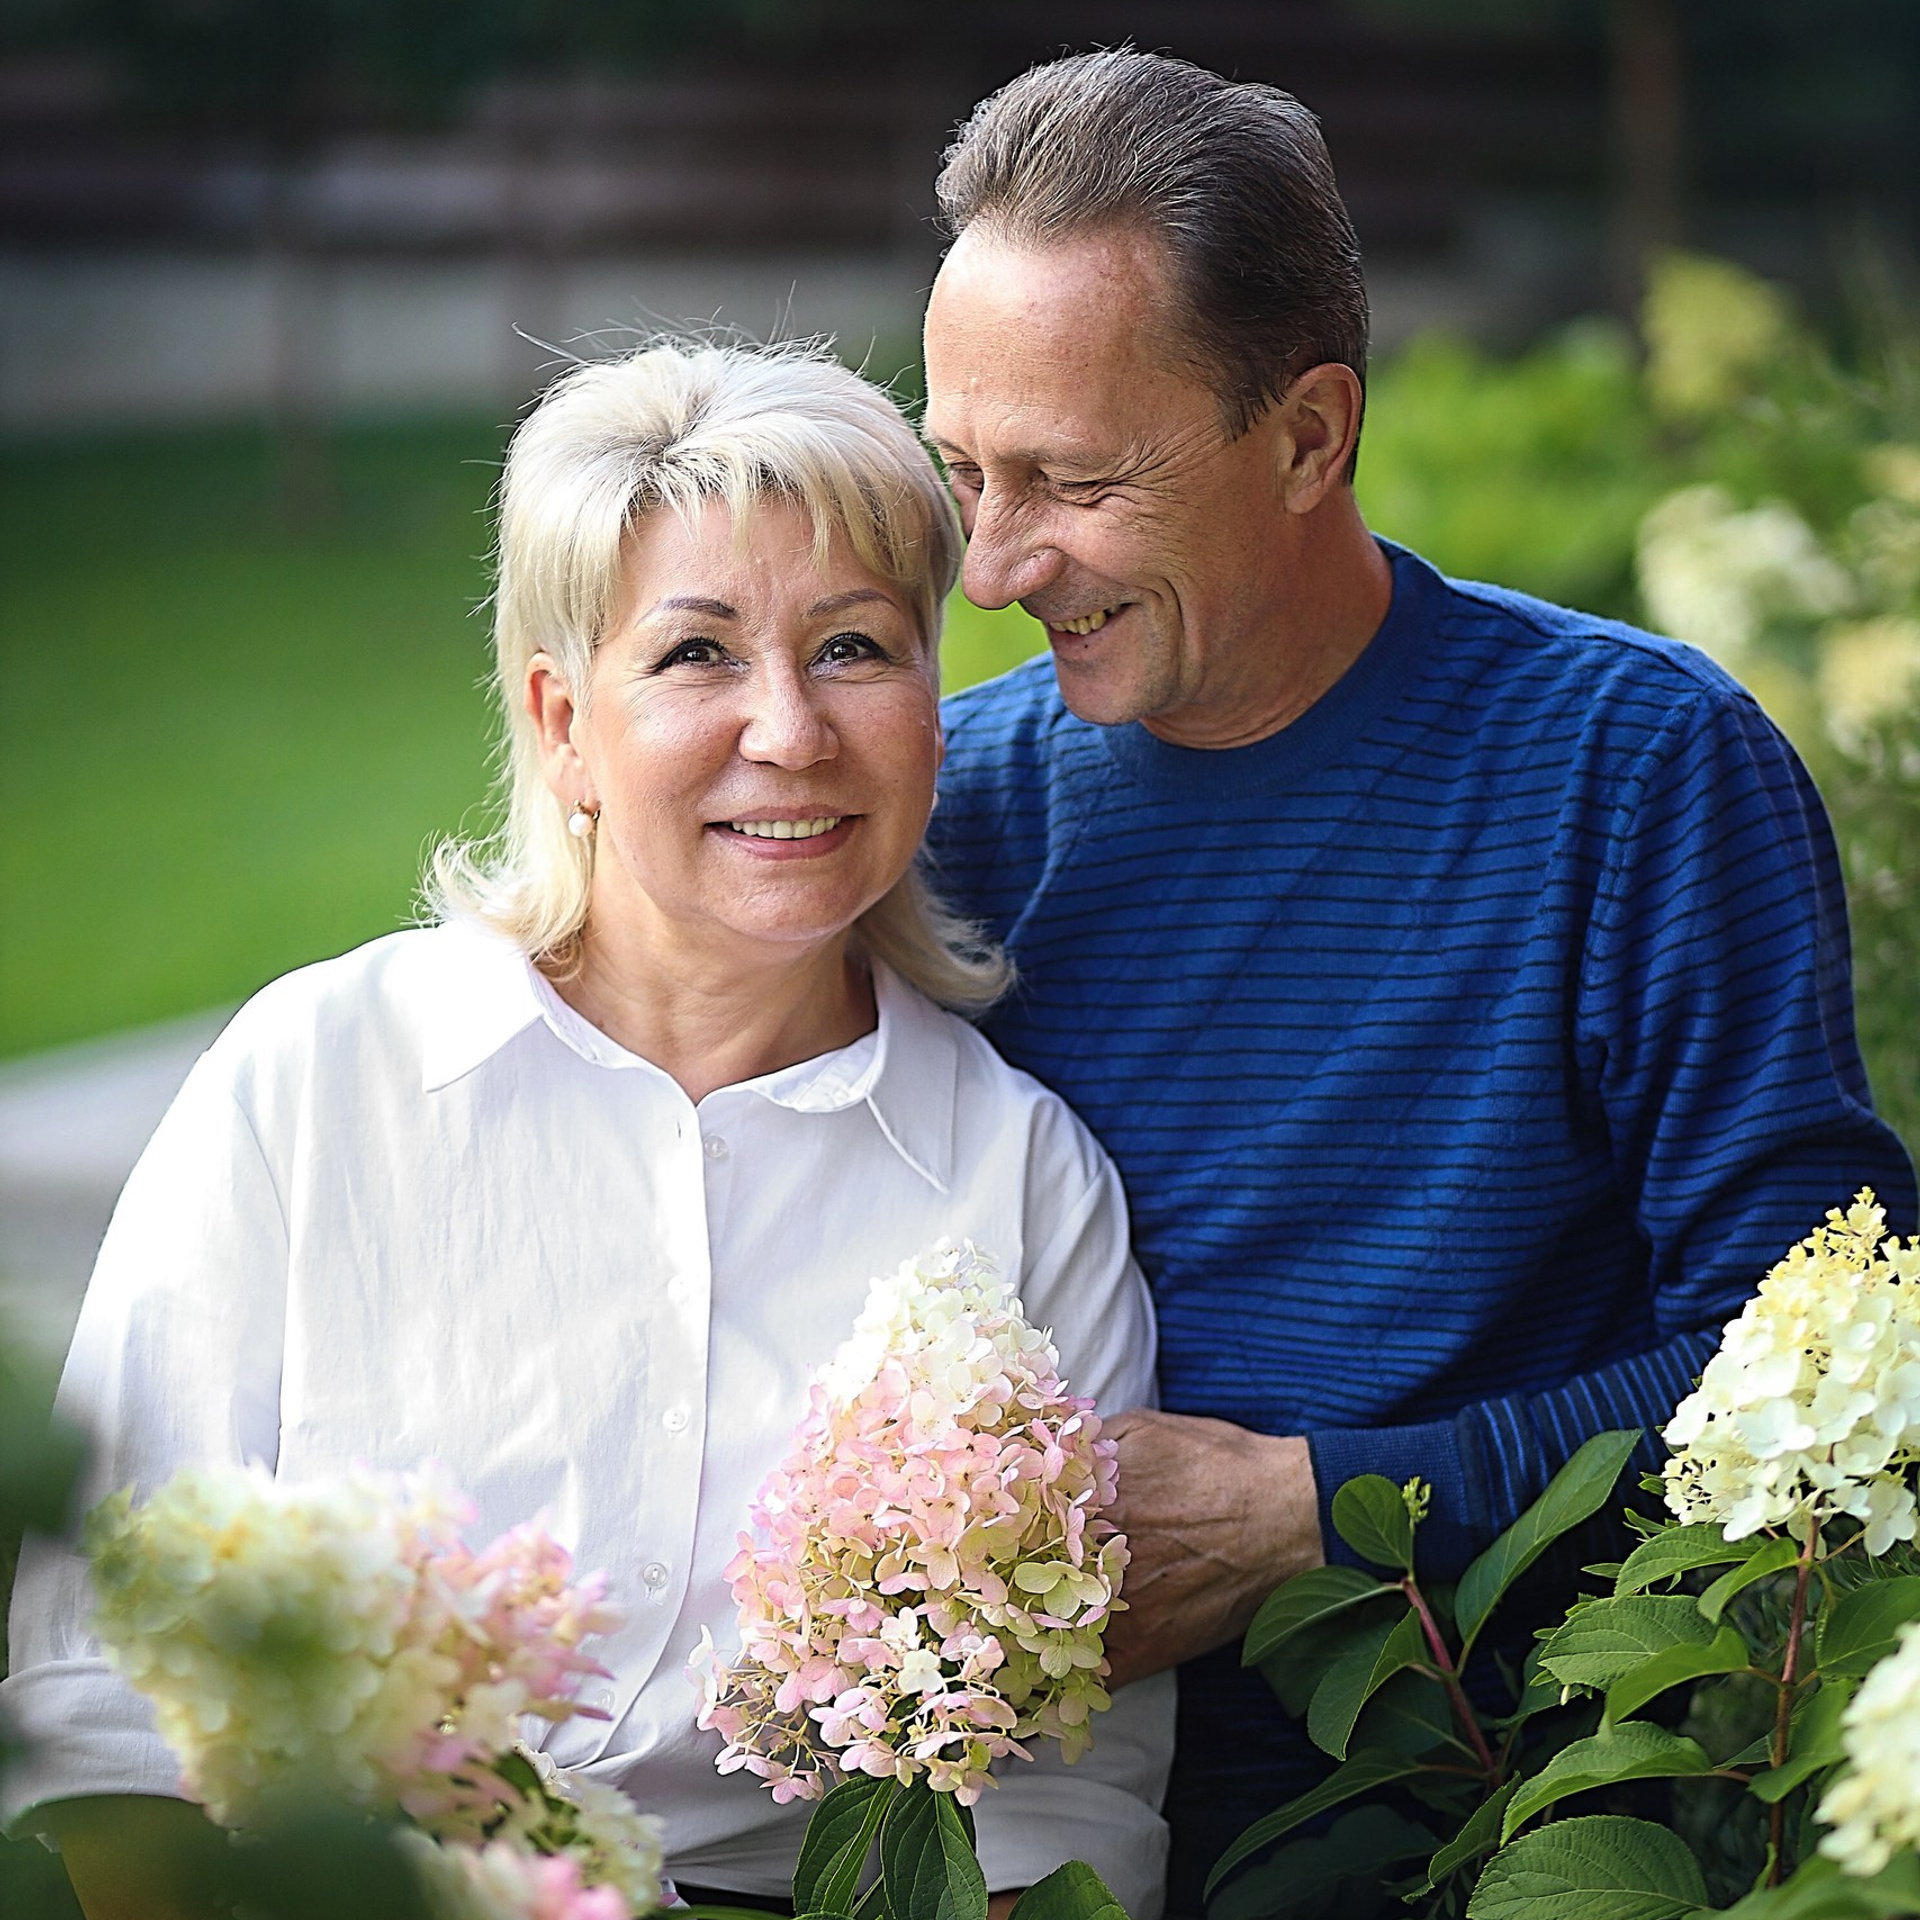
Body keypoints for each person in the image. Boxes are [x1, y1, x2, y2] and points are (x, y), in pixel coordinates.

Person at [916, 48, 1919, 1910]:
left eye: (1072, 479)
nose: (990, 567)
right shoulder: (947, 815)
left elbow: (1825, 1373)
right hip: (1020, 1835)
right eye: (963, 469)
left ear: (1309, 437)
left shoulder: (1636, 774)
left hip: (1500, 1817)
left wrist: (1321, 1515)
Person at [2, 340, 1174, 1919]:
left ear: (932, 704)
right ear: (564, 722)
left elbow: (1063, 1809)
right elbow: (98, 1693)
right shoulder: (319, 1081)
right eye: (697, 655)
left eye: (855, 647)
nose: (791, 730)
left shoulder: (1025, 1183)